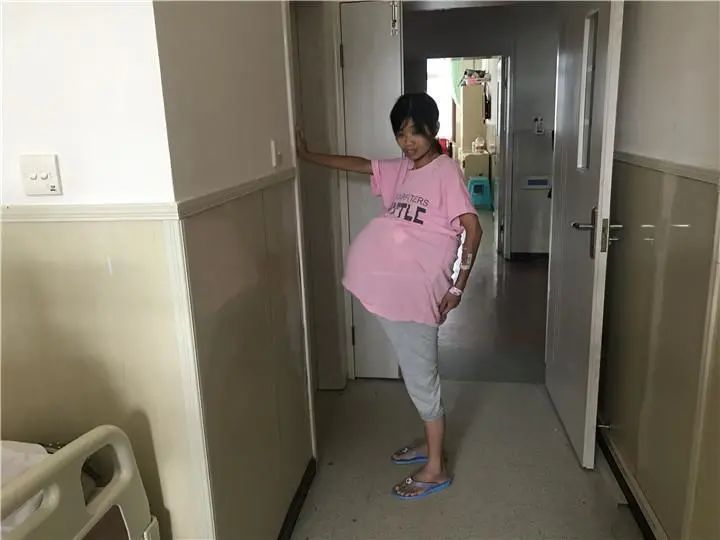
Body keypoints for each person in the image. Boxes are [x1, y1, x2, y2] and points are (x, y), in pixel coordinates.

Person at [297, 92, 482, 499]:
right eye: (401, 133)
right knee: (416, 374)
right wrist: (308, 155)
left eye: (416, 132)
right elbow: (360, 164)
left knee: (421, 378)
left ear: (434, 130)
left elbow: (473, 227)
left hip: (418, 293)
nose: (408, 141)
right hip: (395, 290)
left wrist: (458, 286)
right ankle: (430, 447)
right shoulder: (403, 169)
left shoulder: (445, 170)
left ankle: (436, 468)